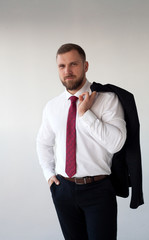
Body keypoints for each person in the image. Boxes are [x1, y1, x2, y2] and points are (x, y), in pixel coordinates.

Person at [36, 43, 127, 240]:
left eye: (73, 64)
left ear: (85, 66)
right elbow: (43, 143)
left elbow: (116, 144)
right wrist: (49, 175)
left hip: (98, 190)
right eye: (62, 66)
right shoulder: (52, 106)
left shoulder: (107, 99)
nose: (67, 71)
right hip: (64, 190)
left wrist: (85, 113)